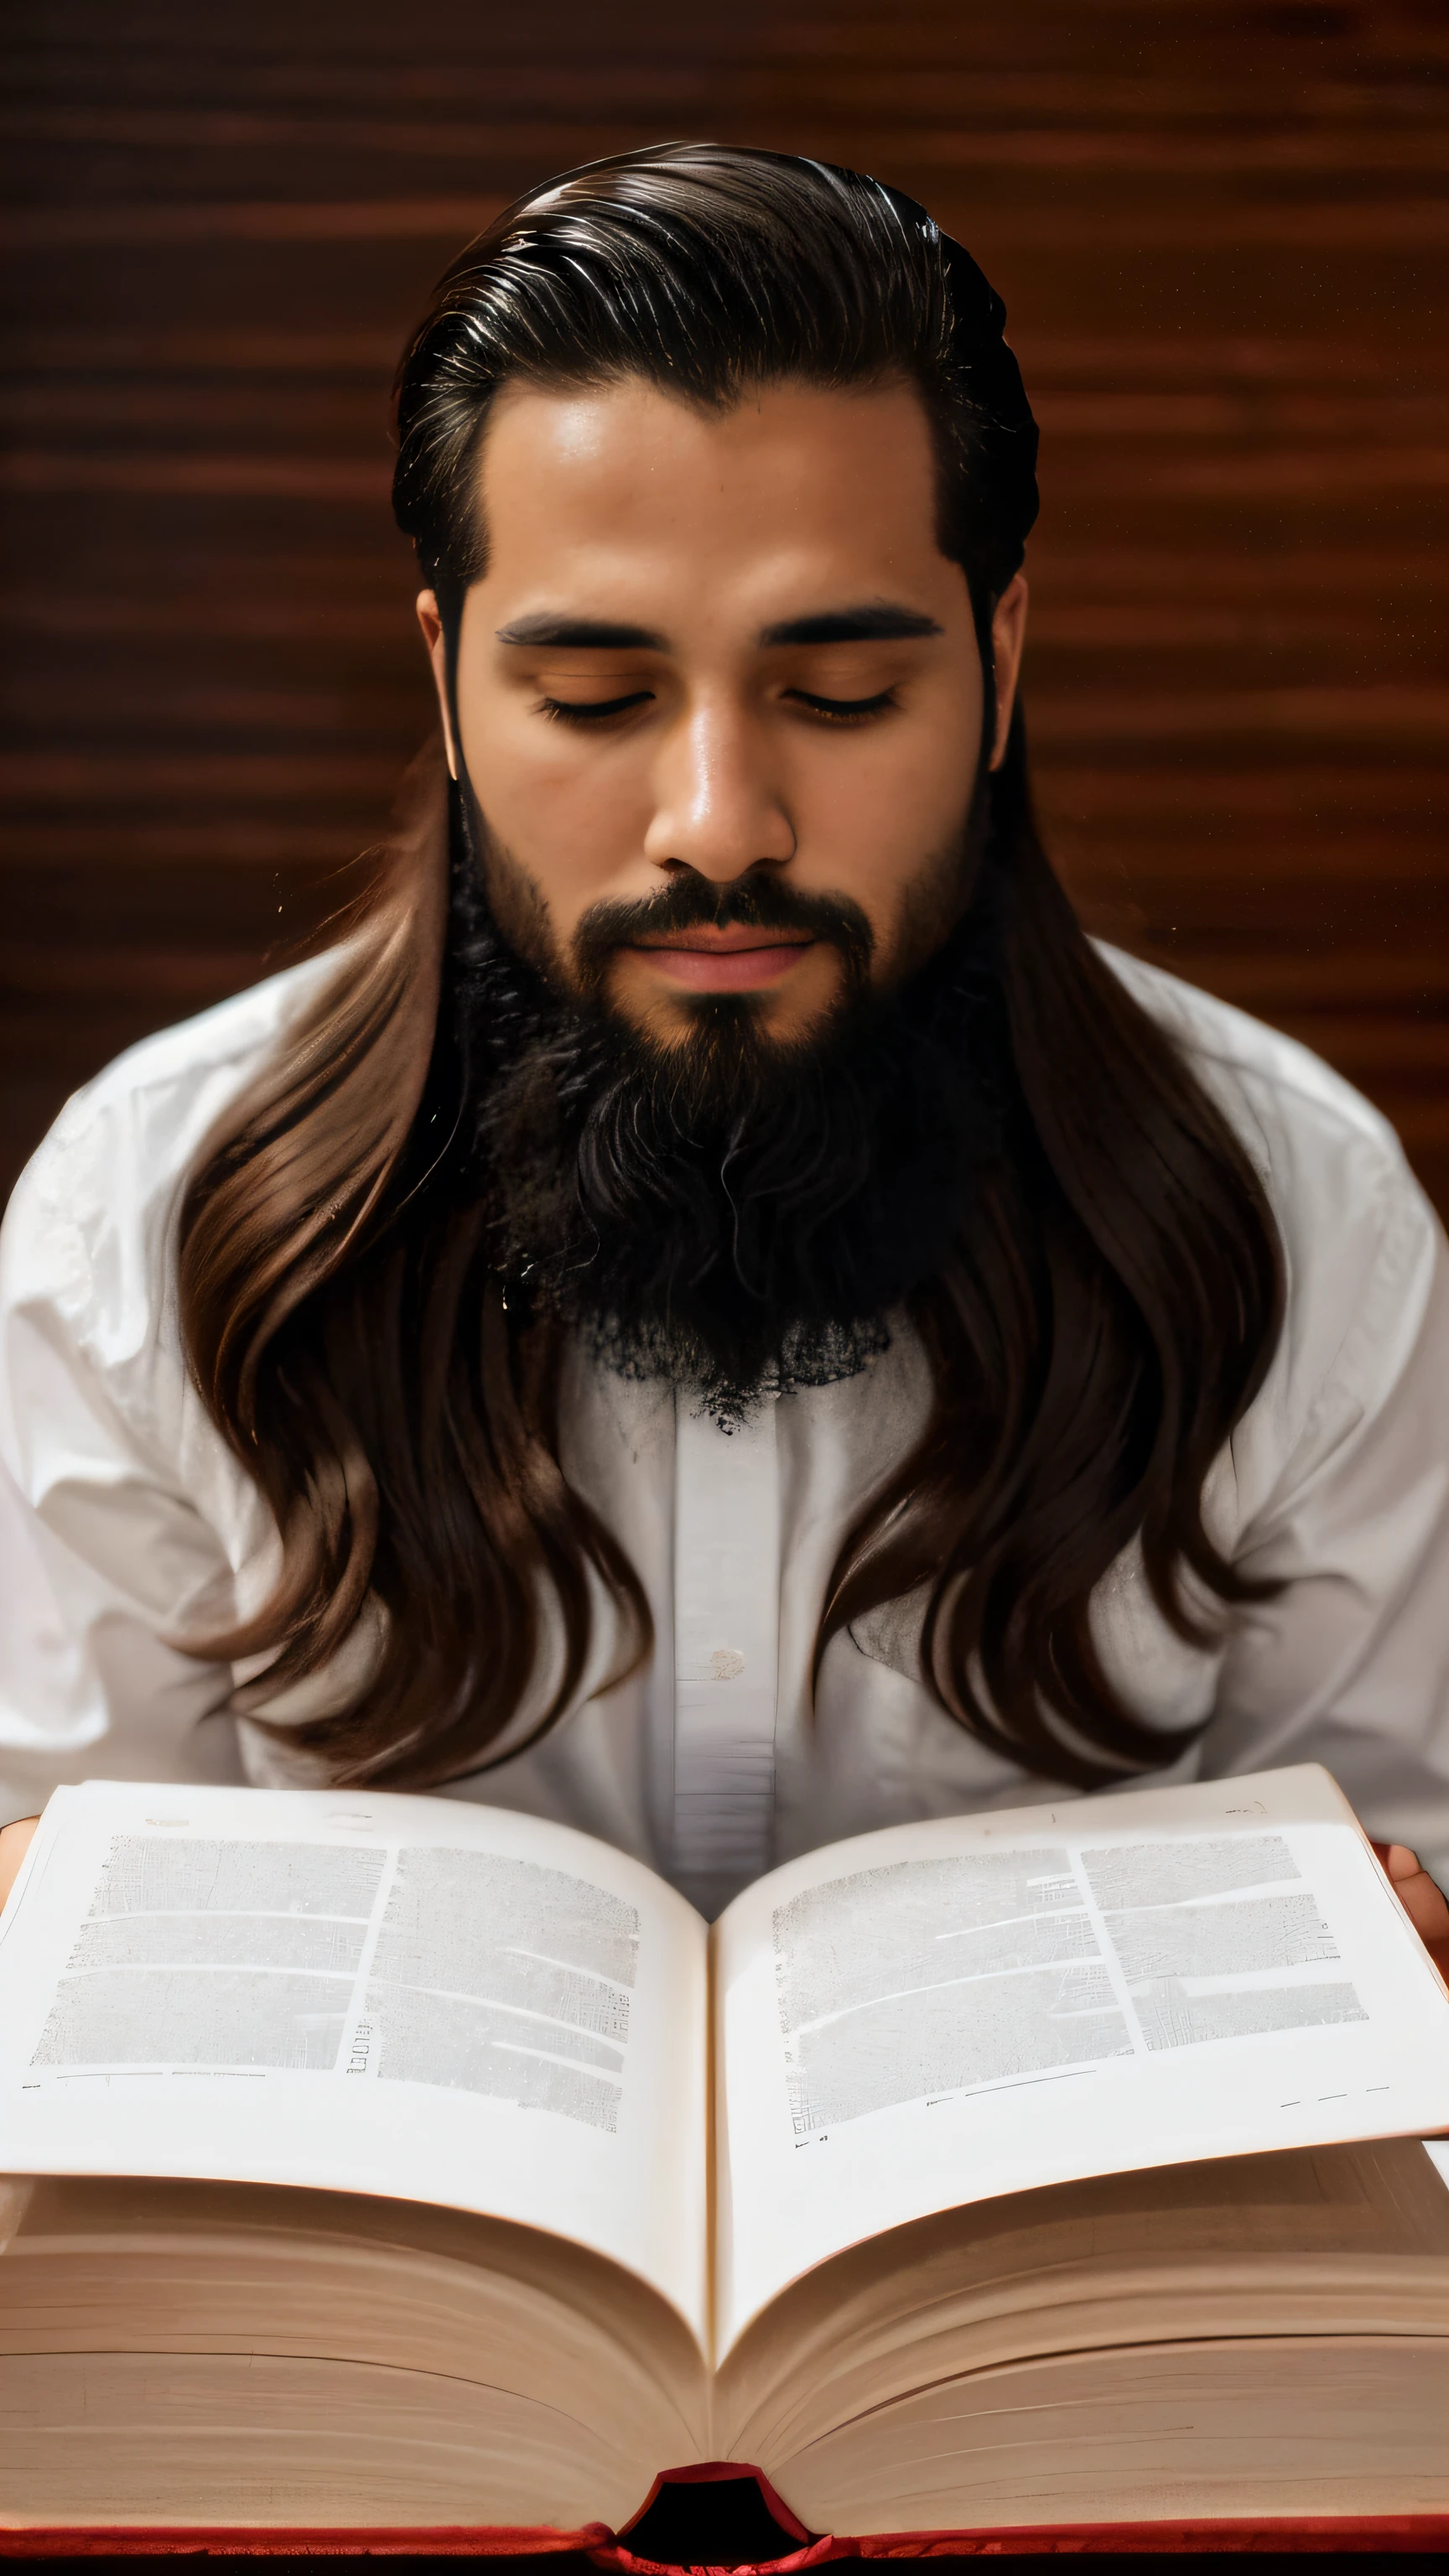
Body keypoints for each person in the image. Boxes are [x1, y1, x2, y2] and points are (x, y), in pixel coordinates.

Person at [1, 144, 1446, 1957]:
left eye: (841, 695)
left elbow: (1385, 1972)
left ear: (1001, 664)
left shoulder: (1313, 1223)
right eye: (597, 698)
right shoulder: (129, 1229)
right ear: (446, 684)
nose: (719, 824)